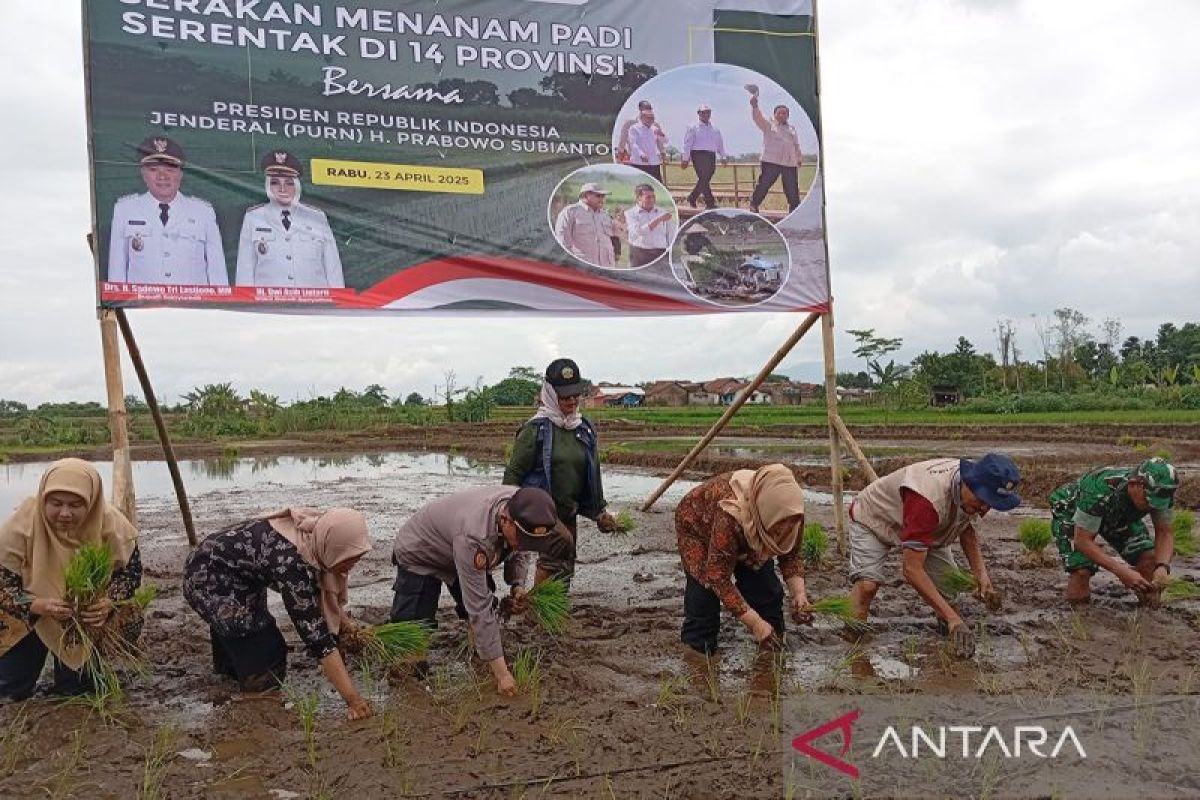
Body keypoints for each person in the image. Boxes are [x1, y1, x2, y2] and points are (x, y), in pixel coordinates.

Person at [183, 507, 373, 720]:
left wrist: (349, 628)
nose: (352, 565)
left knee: (248, 627)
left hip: (236, 575)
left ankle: (229, 673)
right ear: (334, 547)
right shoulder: (291, 562)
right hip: (207, 577)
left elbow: (320, 592)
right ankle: (254, 705)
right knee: (268, 655)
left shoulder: (315, 536)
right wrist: (353, 700)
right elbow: (316, 638)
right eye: (349, 559)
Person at [389, 485, 574, 696]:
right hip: (422, 552)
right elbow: (479, 608)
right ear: (505, 519)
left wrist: (517, 584)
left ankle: (481, 655)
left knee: (484, 606)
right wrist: (503, 676)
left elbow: (521, 549)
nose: (524, 545)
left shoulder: (526, 507)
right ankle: (408, 680)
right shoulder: (474, 537)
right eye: (522, 539)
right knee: (415, 628)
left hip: (456, 547)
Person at [847, 455, 1020, 659]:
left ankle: (947, 655)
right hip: (875, 518)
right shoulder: (927, 499)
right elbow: (912, 570)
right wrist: (954, 619)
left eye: (990, 504)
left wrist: (982, 575)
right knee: (867, 586)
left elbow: (967, 532)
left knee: (949, 591)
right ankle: (854, 648)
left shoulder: (970, 494)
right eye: (983, 500)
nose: (984, 509)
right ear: (968, 483)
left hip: (928, 527)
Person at [0, 459, 141, 700]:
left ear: (92, 502)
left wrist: (107, 602)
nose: (65, 513)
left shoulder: (112, 525)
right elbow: (3, 582)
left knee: (78, 691)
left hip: (85, 620)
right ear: (43, 498)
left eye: (76, 505)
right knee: (9, 689)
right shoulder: (21, 525)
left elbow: (131, 574)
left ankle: (82, 670)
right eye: (56, 503)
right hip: (30, 614)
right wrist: (34, 604)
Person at [503, 358, 616, 588]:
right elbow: (514, 474)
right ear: (551, 394)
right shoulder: (536, 430)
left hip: (568, 508)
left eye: (575, 394)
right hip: (539, 511)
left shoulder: (584, 428)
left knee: (566, 561)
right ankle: (537, 610)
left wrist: (599, 511)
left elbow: (593, 472)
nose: (572, 400)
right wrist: (507, 512)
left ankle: (552, 610)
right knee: (557, 552)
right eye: (565, 396)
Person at [675, 464, 811, 654]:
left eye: (788, 526)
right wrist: (754, 624)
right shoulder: (729, 514)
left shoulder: (791, 514)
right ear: (766, 513)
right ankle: (697, 656)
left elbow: (791, 555)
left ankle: (772, 647)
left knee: (766, 591)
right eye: (778, 528)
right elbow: (718, 578)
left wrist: (799, 594)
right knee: (704, 600)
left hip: (750, 530)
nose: (784, 532)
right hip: (699, 526)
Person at [1049, 457, 1180, 607]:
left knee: (1149, 560)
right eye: (1149, 500)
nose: (1152, 506)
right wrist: (1121, 571)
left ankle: (1149, 615)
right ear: (1134, 485)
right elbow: (1082, 541)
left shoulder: (1161, 492)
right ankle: (1079, 618)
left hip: (1117, 516)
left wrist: (1162, 567)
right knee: (1081, 569)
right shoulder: (1099, 489)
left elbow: (1164, 532)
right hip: (1072, 508)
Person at [108, 136, 228, 285]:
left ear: (181, 174)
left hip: (194, 306)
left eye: (170, 170)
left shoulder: (203, 212)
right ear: (143, 173)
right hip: (142, 306)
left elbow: (218, 273)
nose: (162, 176)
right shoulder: (125, 210)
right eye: (153, 170)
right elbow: (117, 270)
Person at [235, 150, 344, 288]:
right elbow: (245, 269)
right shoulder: (254, 217)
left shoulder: (316, 217)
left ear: (297, 185)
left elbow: (332, 268)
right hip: (268, 306)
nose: (282, 189)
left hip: (315, 304)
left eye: (289, 183)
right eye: (275, 183)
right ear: (268, 186)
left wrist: (338, 303)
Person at [745, 86, 803, 214]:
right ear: (775, 114)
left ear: (788, 115)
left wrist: (799, 158)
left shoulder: (792, 129)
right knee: (764, 184)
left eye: (785, 113)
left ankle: (795, 210)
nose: (782, 115)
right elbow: (757, 117)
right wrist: (754, 106)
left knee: (792, 188)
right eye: (780, 112)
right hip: (771, 161)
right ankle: (754, 204)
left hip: (789, 163)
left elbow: (796, 145)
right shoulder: (768, 125)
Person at [554, 183, 619, 268]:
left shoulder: (604, 215)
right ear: (586, 195)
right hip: (583, 268)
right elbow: (562, 243)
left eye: (603, 196)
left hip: (606, 268)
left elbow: (615, 236)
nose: (602, 199)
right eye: (598, 195)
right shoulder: (570, 212)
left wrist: (620, 224)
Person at [680, 104, 728, 209]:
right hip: (698, 154)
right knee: (704, 177)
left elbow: (720, 144)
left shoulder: (715, 129)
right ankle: (709, 202)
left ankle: (693, 197)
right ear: (698, 113)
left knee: (707, 177)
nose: (706, 114)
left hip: (711, 154)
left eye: (708, 112)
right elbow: (687, 143)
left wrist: (723, 156)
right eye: (703, 112)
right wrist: (685, 158)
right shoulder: (692, 127)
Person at [623, 184, 676, 267]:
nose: (651, 200)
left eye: (653, 197)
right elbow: (639, 231)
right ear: (638, 198)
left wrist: (670, 252)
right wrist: (658, 219)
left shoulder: (662, 212)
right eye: (648, 197)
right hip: (639, 254)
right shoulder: (630, 214)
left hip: (660, 253)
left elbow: (671, 234)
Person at [617, 100, 668, 180]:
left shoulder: (655, 126)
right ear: (640, 109)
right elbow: (624, 140)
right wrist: (620, 153)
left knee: (657, 183)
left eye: (650, 108)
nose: (648, 110)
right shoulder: (630, 124)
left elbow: (661, 142)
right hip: (636, 159)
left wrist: (663, 152)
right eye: (646, 108)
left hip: (653, 161)